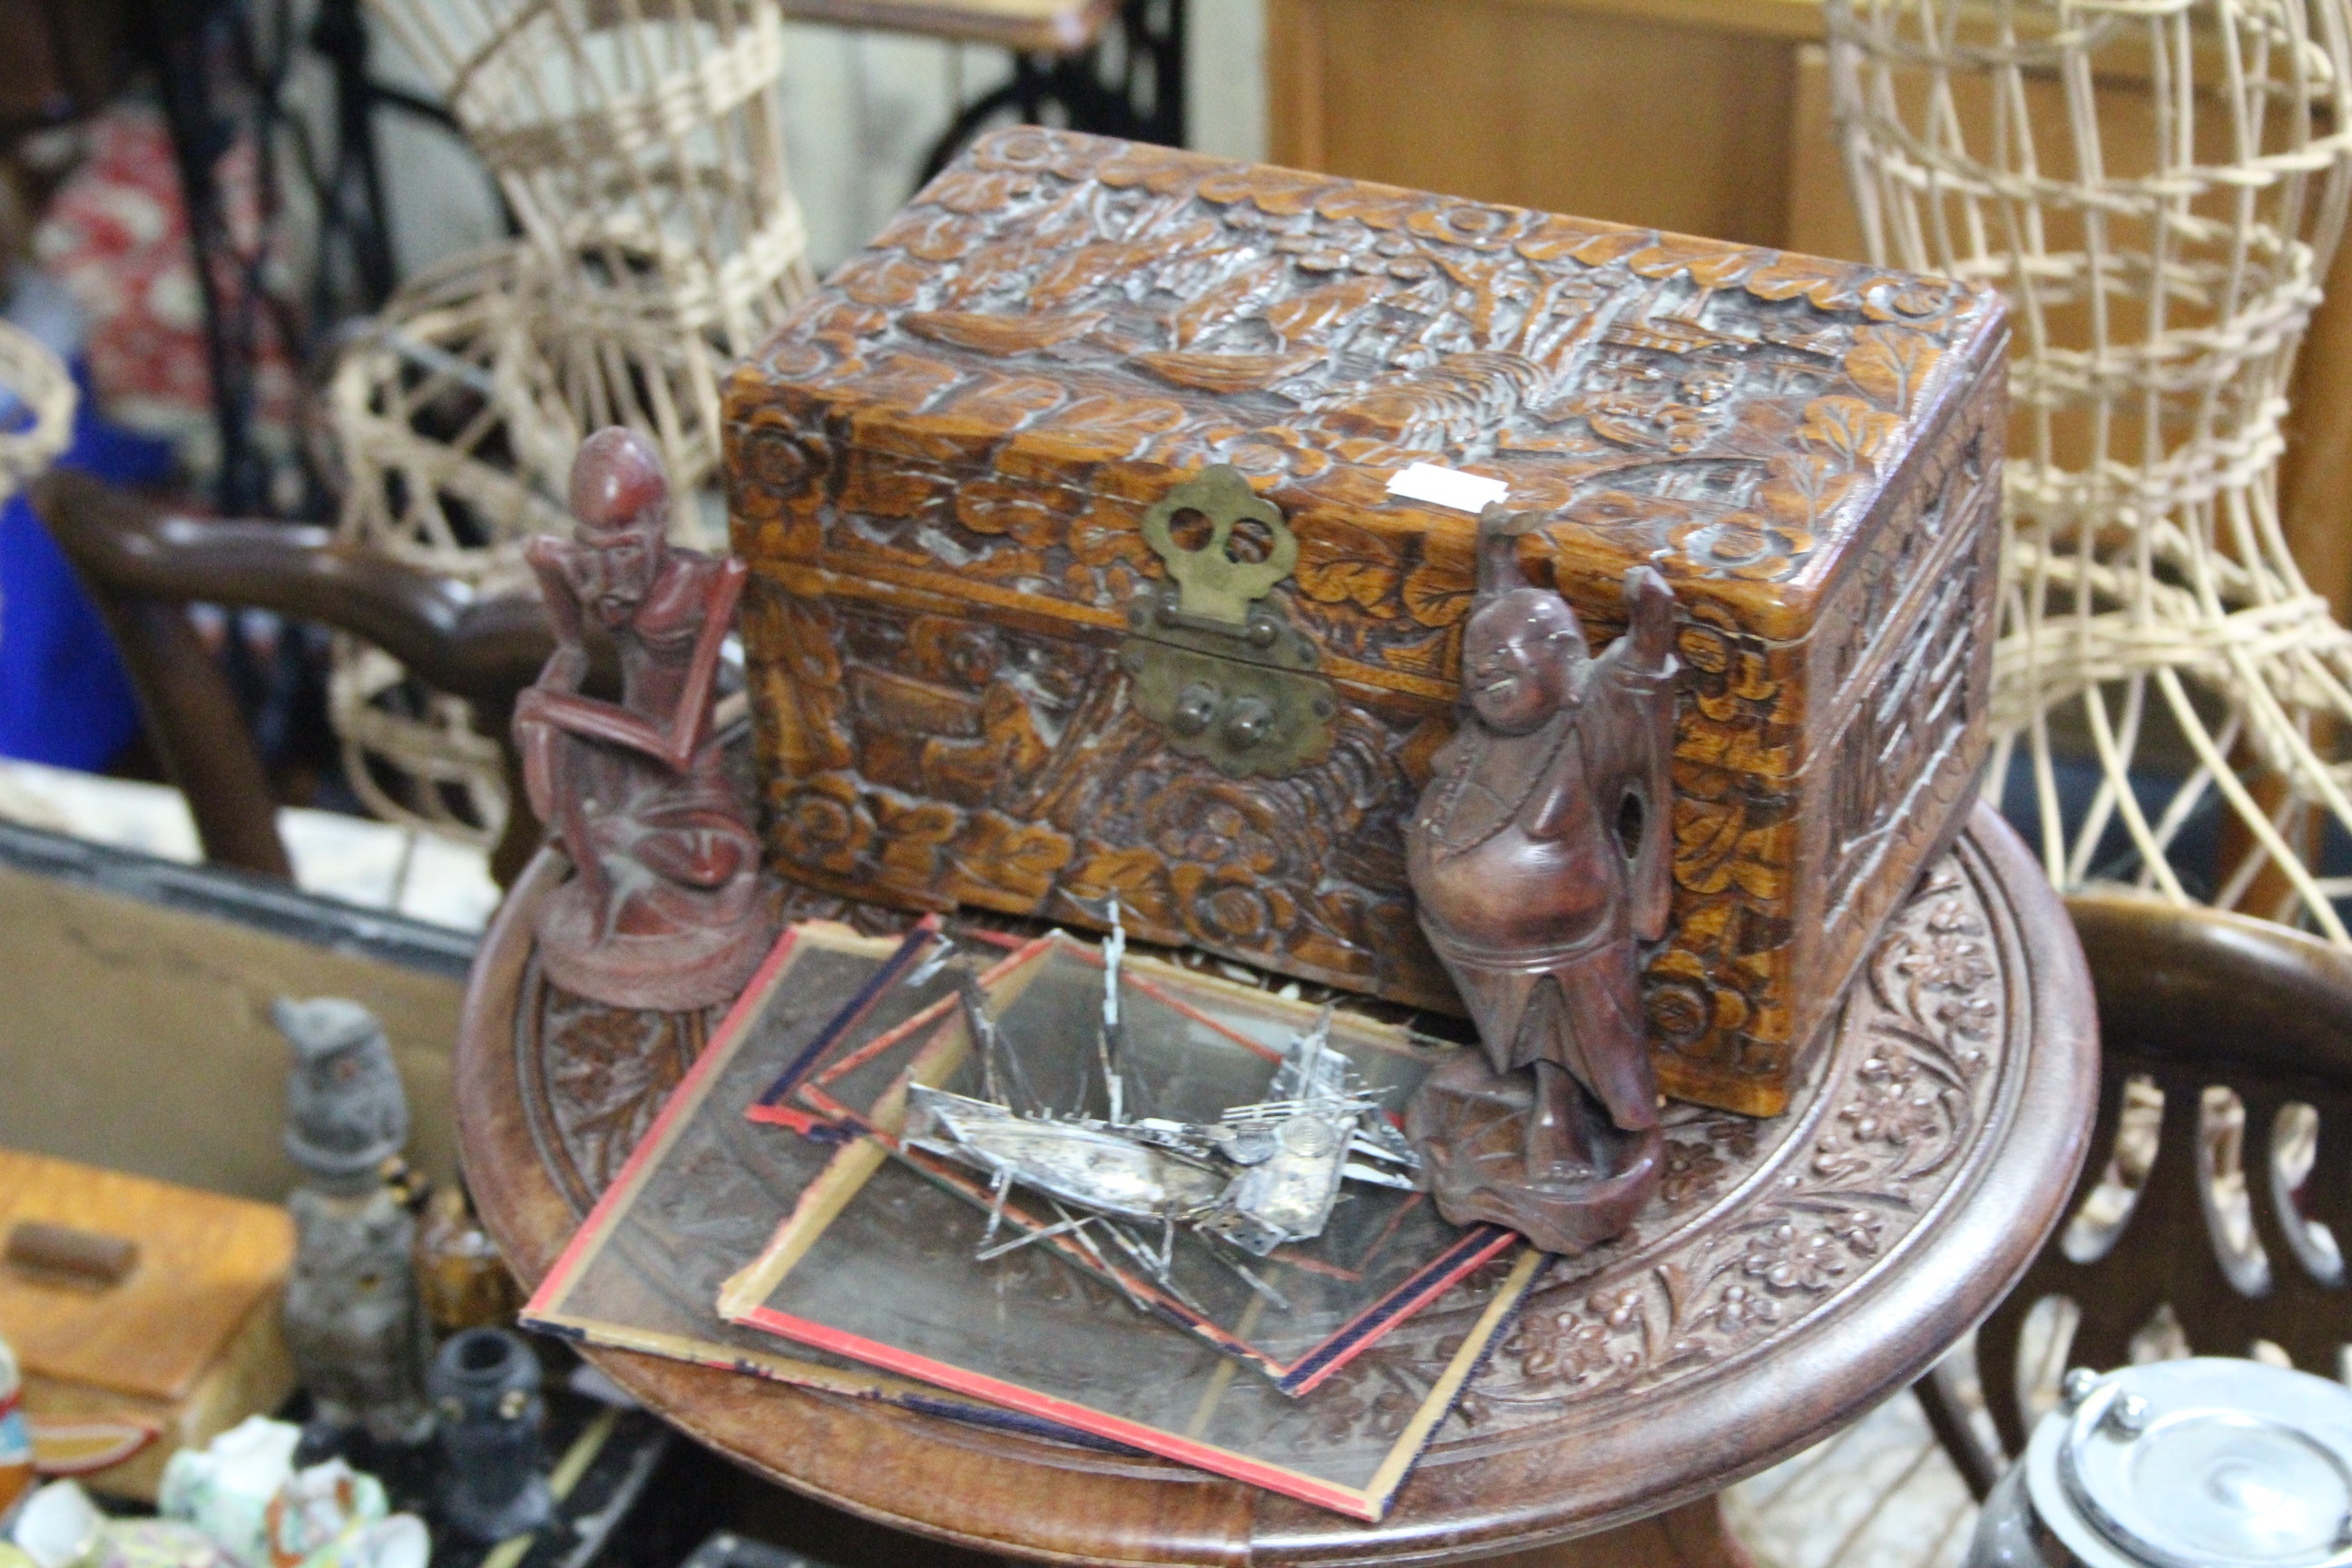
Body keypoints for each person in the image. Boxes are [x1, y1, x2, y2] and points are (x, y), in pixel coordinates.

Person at [1405, 505, 1678, 1253]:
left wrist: (1650, 612)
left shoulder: (1584, 721)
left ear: (1567, 666)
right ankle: (1521, 1094)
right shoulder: (1484, 731)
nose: (1487, 670)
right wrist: (1496, 557)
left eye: (1512, 656)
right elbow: (1495, 611)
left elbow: (1640, 670)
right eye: (1477, 661)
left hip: (1568, 945)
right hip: (1468, 944)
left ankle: (1560, 1122)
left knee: (1566, 1035)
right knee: (1508, 1033)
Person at [513, 426, 770, 1010]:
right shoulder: (572, 564)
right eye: (593, 547)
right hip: (622, 762)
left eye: (626, 547)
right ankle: (604, 867)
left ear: (660, 521)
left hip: (686, 772)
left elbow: (679, 746)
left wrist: (561, 707)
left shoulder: (710, 583)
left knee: (713, 864)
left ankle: (618, 841)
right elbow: (572, 651)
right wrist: (546, 722)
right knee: (543, 741)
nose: (610, 575)